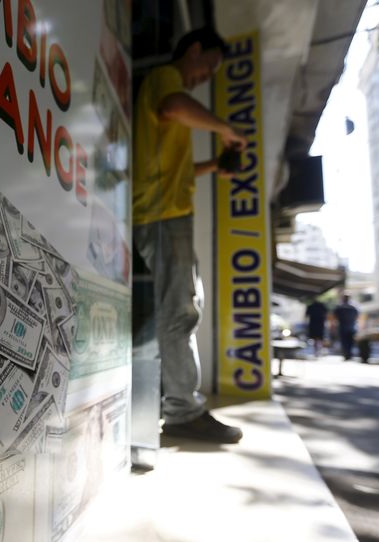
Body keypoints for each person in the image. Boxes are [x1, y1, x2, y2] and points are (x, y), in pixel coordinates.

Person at [133, 27, 248, 444]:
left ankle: (182, 404)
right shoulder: (167, 78)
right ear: (194, 48)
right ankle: (182, 410)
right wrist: (223, 127)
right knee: (179, 309)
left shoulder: (169, 91)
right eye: (209, 66)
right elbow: (173, 106)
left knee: (181, 305)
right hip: (163, 214)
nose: (206, 76)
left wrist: (213, 165)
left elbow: (173, 161)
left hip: (166, 212)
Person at [333, 294, 359, 360]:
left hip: (342, 327)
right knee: (350, 342)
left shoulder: (339, 307)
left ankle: (346, 354)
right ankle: (349, 354)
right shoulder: (353, 307)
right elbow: (357, 317)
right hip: (351, 327)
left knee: (344, 341)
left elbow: (335, 317)